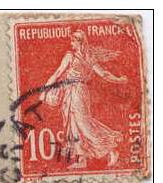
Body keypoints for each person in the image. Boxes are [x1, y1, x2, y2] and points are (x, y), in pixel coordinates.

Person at [39, 30, 128, 170]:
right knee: (73, 124)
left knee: (83, 123)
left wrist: (118, 80)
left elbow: (57, 73)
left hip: (78, 92)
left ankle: (111, 150)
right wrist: (118, 80)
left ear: (79, 42)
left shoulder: (77, 56)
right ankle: (82, 158)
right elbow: (103, 74)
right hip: (72, 92)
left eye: (73, 41)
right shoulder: (85, 57)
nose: (71, 43)